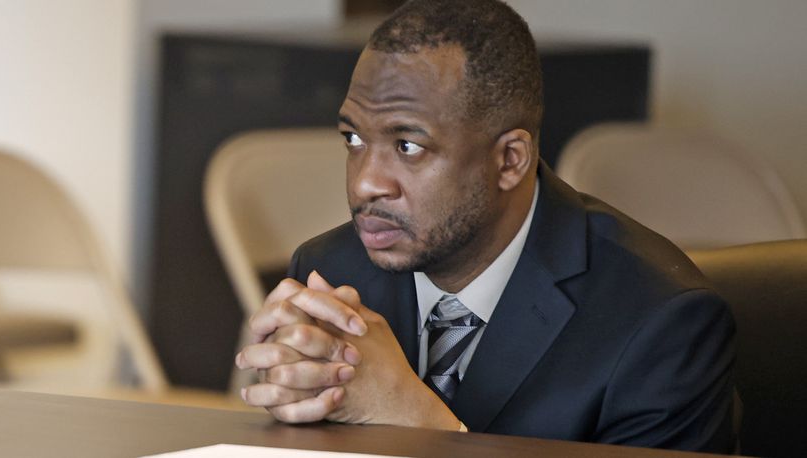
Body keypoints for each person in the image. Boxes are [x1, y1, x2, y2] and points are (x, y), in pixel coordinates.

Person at [235, 0, 736, 452]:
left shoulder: (659, 323)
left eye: (408, 145)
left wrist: (415, 419)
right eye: (353, 140)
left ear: (510, 160)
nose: (366, 183)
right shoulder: (332, 272)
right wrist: (288, 405)